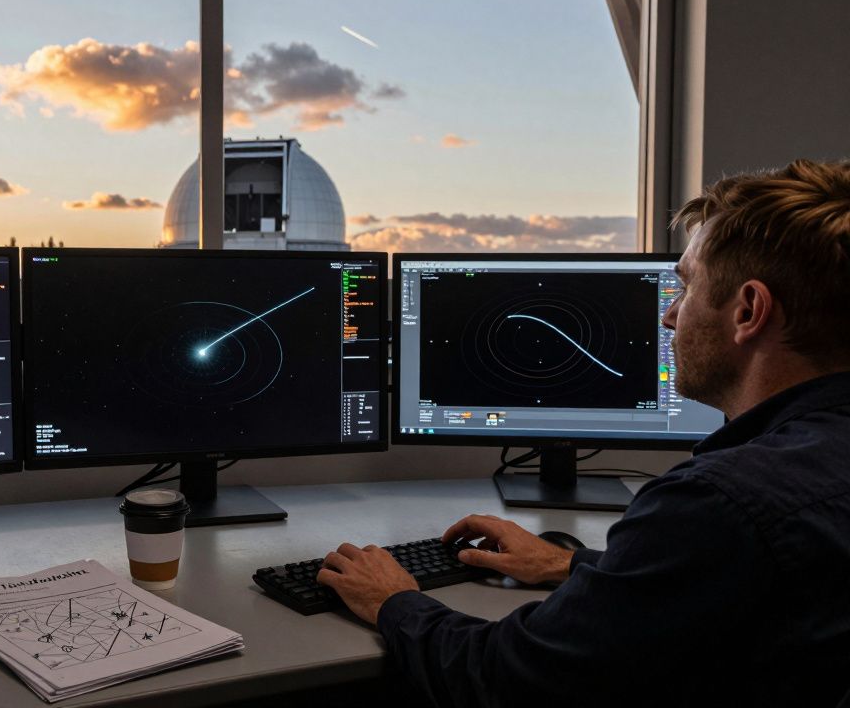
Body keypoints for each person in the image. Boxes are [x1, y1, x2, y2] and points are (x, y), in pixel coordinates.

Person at [318, 159, 850, 706]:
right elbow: (715, 585)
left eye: (685, 288)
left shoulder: (717, 504)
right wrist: (570, 563)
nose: (669, 316)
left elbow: (505, 679)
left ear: (749, 311)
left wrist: (393, 601)